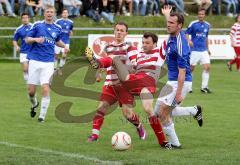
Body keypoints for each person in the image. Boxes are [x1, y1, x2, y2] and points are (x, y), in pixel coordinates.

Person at [86, 28, 171, 148]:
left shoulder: (159, 52)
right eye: (143, 43)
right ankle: (97, 63)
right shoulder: (140, 54)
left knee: (148, 109)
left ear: (155, 44)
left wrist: (168, 17)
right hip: (134, 81)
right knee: (114, 60)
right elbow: (133, 68)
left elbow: (170, 37)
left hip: (147, 83)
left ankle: (163, 141)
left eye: (147, 43)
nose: (144, 45)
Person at [85, 22, 147, 143]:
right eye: (117, 30)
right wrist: (99, 73)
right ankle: (94, 135)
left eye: (122, 30)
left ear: (126, 33)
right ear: (114, 31)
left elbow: (135, 63)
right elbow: (106, 64)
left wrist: (133, 67)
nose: (119, 32)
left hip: (124, 86)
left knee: (127, 114)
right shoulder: (108, 47)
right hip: (110, 84)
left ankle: (139, 126)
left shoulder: (130, 47)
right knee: (101, 108)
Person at [154, 10, 203, 148]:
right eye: (168, 22)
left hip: (181, 82)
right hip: (172, 81)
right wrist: (167, 15)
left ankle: (175, 144)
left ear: (180, 26)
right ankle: (194, 111)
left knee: (163, 113)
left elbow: (182, 72)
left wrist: (179, 93)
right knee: (159, 112)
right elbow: (172, 24)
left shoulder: (181, 45)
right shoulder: (173, 34)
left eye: (171, 23)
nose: (168, 25)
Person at [25, 5, 69, 122]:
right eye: (47, 12)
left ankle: (42, 117)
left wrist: (64, 46)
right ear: (44, 14)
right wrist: (35, 39)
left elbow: (57, 41)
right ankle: (34, 104)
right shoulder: (37, 25)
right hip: (34, 60)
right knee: (31, 91)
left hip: (49, 62)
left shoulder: (57, 28)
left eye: (51, 12)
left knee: (45, 88)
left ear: (54, 14)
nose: (49, 14)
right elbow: (27, 39)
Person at [185, 8, 211, 93]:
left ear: (204, 15)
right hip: (194, 50)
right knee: (191, 68)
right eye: (199, 14)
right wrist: (189, 41)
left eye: (202, 14)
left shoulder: (207, 25)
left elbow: (206, 37)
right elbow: (186, 33)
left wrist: (208, 49)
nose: (201, 16)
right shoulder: (193, 24)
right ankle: (188, 87)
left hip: (204, 50)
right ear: (198, 15)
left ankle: (204, 87)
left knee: (207, 67)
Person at [13, 13, 32, 82]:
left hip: (33, 51)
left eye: (26, 18)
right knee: (25, 69)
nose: (25, 19)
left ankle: (30, 83)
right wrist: (17, 46)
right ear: (21, 19)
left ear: (29, 19)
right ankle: (27, 79)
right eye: (23, 18)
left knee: (32, 69)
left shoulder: (34, 27)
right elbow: (14, 40)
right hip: (23, 51)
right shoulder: (19, 29)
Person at [54, 9, 74, 73]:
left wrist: (71, 33)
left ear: (68, 14)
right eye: (64, 13)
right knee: (56, 55)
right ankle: (55, 68)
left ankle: (61, 68)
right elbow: (54, 29)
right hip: (58, 41)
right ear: (62, 14)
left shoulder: (71, 22)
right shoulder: (58, 21)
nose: (65, 14)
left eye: (66, 13)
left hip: (66, 41)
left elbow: (70, 30)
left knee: (64, 55)